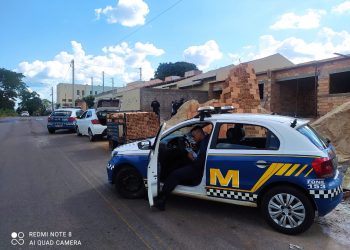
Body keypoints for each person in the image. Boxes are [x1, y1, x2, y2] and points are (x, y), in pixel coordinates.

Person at [154, 125, 210, 211]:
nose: (193, 138)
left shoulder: (204, 144)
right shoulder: (205, 141)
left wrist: (190, 156)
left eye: (194, 136)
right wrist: (192, 151)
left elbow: (198, 163)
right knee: (178, 163)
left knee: (175, 175)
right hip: (198, 166)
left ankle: (162, 200)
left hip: (197, 169)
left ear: (199, 133)